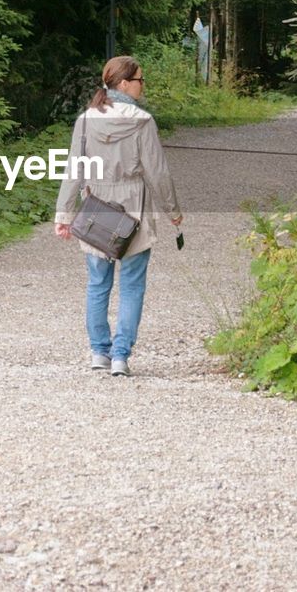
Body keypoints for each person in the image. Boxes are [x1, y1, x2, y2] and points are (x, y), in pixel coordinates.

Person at [54, 55, 182, 377]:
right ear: (124, 84)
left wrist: (64, 214)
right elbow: (157, 173)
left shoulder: (86, 119)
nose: (143, 86)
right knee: (132, 286)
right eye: (140, 80)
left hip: (96, 211)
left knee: (97, 284)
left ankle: (99, 352)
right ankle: (121, 356)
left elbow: (74, 170)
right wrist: (173, 212)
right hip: (133, 212)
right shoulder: (142, 121)